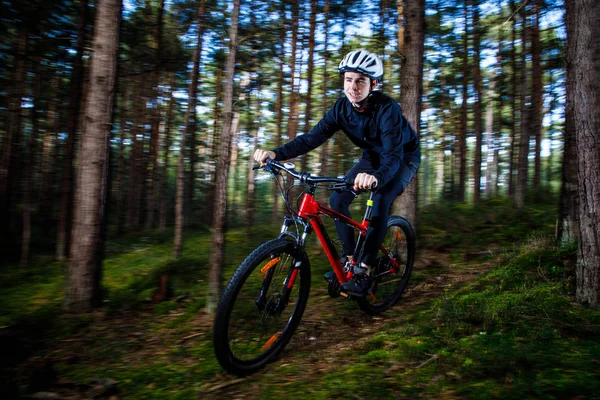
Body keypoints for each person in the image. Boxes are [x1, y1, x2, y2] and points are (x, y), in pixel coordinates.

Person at [253, 49, 420, 296]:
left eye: (361, 80)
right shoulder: (341, 108)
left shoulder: (387, 109)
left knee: (381, 199)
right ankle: (350, 260)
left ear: (373, 83)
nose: (353, 86)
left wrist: (376, 177)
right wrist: (276, 154)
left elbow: (393, 156)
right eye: (349, 79)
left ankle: (363, 269)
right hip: (371, 158)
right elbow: (311, 138)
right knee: (337, 198)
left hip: (401, 158)